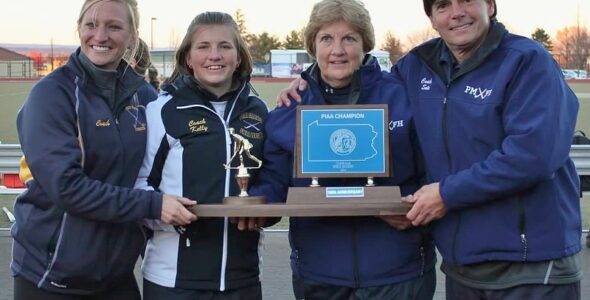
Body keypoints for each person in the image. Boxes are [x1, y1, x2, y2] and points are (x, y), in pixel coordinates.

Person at [395, 1, 582, 299]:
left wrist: (446, 194)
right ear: (431, 18)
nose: (456, 12)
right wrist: (310, 83)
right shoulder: (416, 66)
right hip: (462, 268)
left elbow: (533, 156)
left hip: (530, 269)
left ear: (490, 6)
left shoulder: (527, 60)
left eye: (466, 0)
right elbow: (372, 100)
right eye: (443, 5)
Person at [250, 0, 436, 299]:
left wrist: (410, 207)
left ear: (365, 45)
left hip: (397, 271)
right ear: (313, 45)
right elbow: (275, 181)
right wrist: (255, 207)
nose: (337, 49)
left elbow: (432, 173)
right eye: (326, 38)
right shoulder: (289, 108)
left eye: (349, 38)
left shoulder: (403, 97)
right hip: (319, 273)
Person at [11, 0, 197, 299]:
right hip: (52, 277)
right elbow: (67, 188)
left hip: (116, 276)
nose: (100, 36)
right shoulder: (51, 95)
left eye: (114, 26)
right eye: (91, 25)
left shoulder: (143, 95)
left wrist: (292, 89)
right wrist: (152, 205)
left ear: (133, 36)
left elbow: (188, 120)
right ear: (79, 29)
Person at [134, 11, 272, 300]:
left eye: (225, 46)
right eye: (203, 46)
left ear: (238, 57)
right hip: (173, 281)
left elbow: (271, 179)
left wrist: (264, 209)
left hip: (242, 279)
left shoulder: (258, 111)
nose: (215, 55)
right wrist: (159, 208)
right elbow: (139, 182)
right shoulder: (163, 111)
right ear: (188, 58)